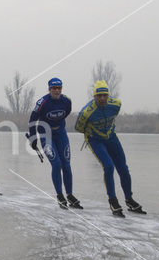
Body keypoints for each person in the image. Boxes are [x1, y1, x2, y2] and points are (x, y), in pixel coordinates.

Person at [75, 80, 145, 217]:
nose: (102, 98)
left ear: (108, 96)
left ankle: (129, 199)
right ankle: (113, 201)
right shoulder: (86, 113)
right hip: (95, 139)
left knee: (123, 168)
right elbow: (78, 128)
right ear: (94, 96)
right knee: (108, 166)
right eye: (98, 95)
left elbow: (113, 118)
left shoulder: (116, 105)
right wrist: (92, 133)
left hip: (111, 137)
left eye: (104, 95)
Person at [28, 77, 80, 209]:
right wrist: (33, 139)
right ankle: (59, 195)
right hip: (46, 135)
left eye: (59, 88)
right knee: (56, 164)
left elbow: (66, 113)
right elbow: (32, 120)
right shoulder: (42, 102)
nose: (57, 91)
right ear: (49, 89)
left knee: (66, 165)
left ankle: (69, 194)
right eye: (54, 88)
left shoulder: (66, 101)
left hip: (61, 134)